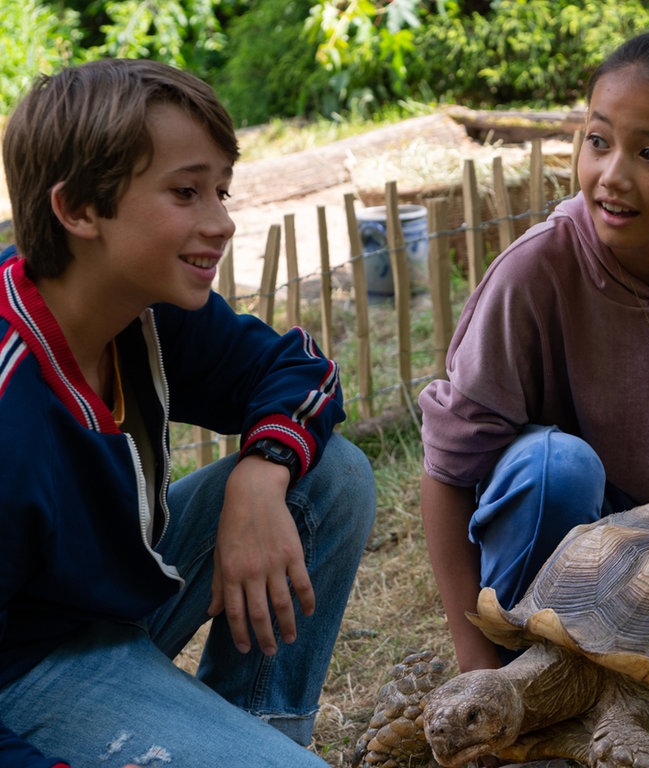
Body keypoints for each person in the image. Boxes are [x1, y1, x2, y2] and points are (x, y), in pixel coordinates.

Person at [0, 58, 376, 768]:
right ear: (79, 209)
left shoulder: (140, 311)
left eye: (221, 190)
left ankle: (260, 733)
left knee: (325, 477)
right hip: (22, 669)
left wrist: (261, 474)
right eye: (187, 192)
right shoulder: (9, 406)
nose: (223, 221)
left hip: (108, 602)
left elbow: (300, 371)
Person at [419, 30, 649, 675]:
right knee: (557, 464)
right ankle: (527, 664)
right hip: (555, 567)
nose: (611, 175)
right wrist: (476, 668)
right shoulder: (533, 272)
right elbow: (448, 471)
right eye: (598, 141)